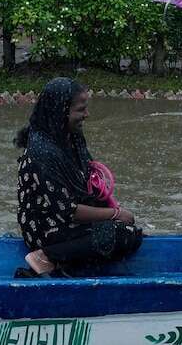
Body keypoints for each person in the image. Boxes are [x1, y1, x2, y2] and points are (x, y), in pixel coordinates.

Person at [15, 78, 144, 276]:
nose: (87, 114)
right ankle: (45, 256)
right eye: (80, 109)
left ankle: (66, 262)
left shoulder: (71, 136)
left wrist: (115, 213)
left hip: (68, 220)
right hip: (46, 226)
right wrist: (115, 214)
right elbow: (69, 211)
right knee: (123, 234)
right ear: (61, 111)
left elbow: (89, 181)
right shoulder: (41, 153)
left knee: (131, 232)